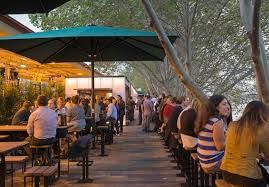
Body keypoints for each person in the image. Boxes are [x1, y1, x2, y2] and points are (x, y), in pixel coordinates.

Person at [221, 101, 269, 187]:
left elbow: (241, 150)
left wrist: (258, 155)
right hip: (245, 176)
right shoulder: (262, 128)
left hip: (227, 172)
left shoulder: (232, 125)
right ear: (264, 113)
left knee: (264, 173)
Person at [196, 95, 230, 172]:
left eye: (227, 103)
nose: (228, 107)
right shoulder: (217, 121)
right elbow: (220, 147)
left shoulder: (207, 118)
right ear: (216, 107)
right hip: (212, 163)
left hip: (204, 160)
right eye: (224, 104)